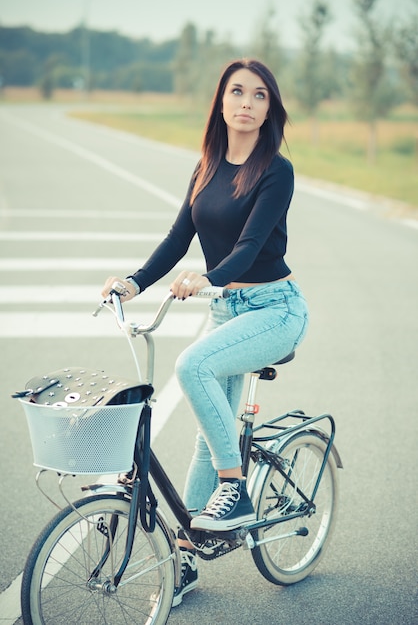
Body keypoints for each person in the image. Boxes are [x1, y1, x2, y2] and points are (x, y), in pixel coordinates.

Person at [101, 58, 309, 606]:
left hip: (274, 310)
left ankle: (234, 488)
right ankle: (185, 561)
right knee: (206, 433)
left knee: (193, 366)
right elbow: (176, 240)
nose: (246, 102)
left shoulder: (275, 170)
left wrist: (209, 277)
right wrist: (133, 282)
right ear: (220, 102)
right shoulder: (206, 166)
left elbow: (249, 245)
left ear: (270, 109)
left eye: (259, 95)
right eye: (237, 92)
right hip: (227, 311)